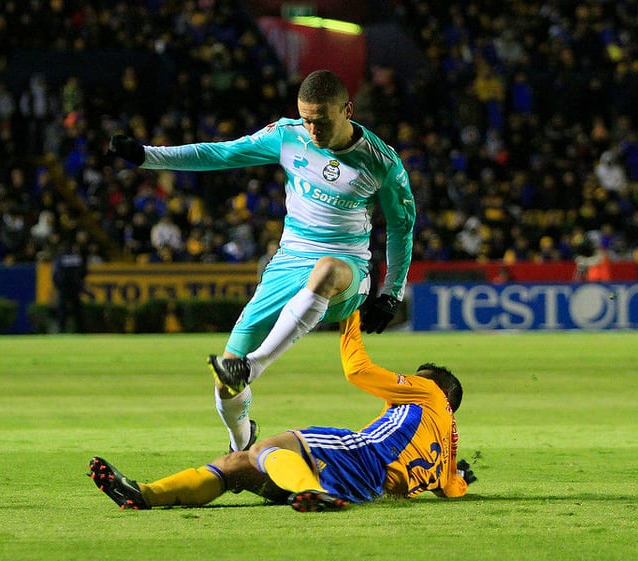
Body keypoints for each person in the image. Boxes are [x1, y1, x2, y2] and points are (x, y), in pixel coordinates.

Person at [107, 69, 416, 452]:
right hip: (286, 265)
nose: (312, 129)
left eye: (321, 120)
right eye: (305, 119)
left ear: (348, 110)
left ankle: (254, 366)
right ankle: (242, 444)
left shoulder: (381, 161)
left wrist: (392, 293)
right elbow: (220, 152)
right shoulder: (287, 136)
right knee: (225, 380)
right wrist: (146, 156)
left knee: (326, 270)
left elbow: (403, 224)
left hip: (346, 270)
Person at [88, 310, 476, 512]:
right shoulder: (444, 453)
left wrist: (350, 314)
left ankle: (310, 491)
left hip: (363, 456)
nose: (403, 383)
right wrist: (460, 476)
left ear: (438, 387)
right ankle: (144, 495)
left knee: (267, 449)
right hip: (365, 486)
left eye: (414, 377)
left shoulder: (430, 393)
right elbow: (452, 489)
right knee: (238, 465)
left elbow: (357, 369)